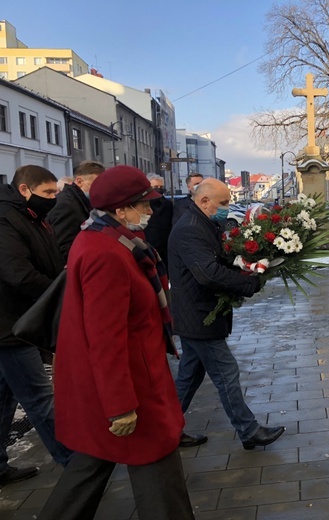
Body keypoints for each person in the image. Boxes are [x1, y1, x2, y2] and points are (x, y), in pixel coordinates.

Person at [39, 165, 194, 520]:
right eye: (145, 205)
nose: (151, 212)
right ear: (121, 209)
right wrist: (120, 405)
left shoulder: (107, 238)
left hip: (125, 380)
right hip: (130, 385)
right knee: (156, 466)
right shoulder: (106, 252)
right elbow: (105, 337)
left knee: (91, 465)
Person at [169, 178, 285, 450]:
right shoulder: (190, 229)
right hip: (198, 315)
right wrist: (248, 283)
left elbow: (220, 260)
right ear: (204, 201)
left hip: (196, 314)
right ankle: (248, 430)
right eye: (222, 203)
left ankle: (166, 430)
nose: (226, 208)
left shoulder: (203, 222)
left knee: (189, 376)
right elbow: (208, 273)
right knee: (226, 373)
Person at [0, 165, 73, 485]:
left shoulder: (31, 216)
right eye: (48, 193)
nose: (54, 199)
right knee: (40, 397)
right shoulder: (6, 220)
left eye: (56, 192)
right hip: (10, 326)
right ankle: (77, 464)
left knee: (4, 399)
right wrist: (61, 293)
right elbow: (18, 273)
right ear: (24, 190)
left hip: (19, 320)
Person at [47, 161, 105, 261]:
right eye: (96, 184)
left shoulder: (79, 201)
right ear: (79, 181)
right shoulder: (66, 204)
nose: (100, 190)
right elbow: (63, 246)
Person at [144, 174, 173, 266]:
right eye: (156, 187)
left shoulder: (168, 204)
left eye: (161, 187)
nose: (159, 189)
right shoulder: (143, 204)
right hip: (148, 244)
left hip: (165, 247)